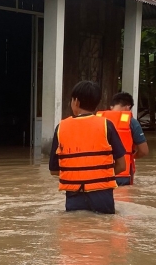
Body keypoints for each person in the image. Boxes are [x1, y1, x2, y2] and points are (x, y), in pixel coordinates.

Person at [49, 81, 127, 214]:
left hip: (75, 196)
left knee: (76, 230)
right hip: (103, 196)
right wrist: (100, 175)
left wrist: (77, 174)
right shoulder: (107, 125)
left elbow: (54, 170)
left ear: (76, 102)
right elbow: (122, 165)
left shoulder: (61, 128)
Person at [97, 92, 149, 185]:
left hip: (99, 173)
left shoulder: (98, 120)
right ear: (128, 107)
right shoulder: (132, 122)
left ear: (111, 106)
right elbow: (144, 151)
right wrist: (130, 157)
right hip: (122, 175)